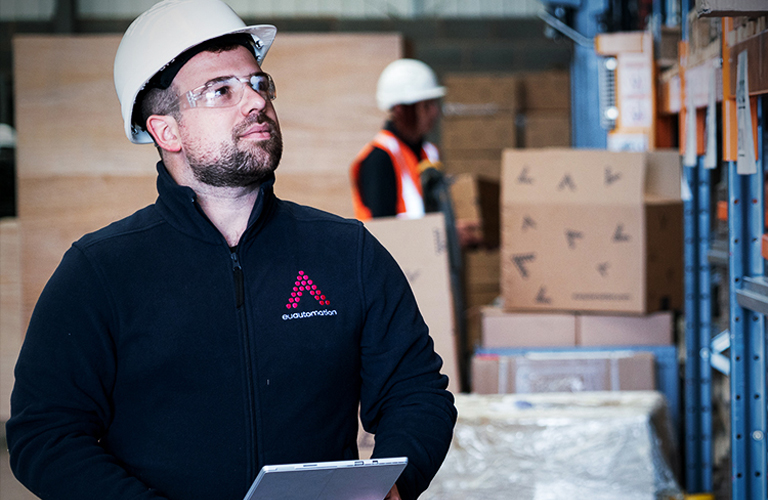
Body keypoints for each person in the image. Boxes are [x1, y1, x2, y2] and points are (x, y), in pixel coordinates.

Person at [5, 1, 457, 499]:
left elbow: (416, 394)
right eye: (221, 90)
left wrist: (390, 489)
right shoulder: (100, 273)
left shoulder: (347, 253)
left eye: (258, 83)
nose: (255, 102)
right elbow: (45, 434)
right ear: (166, 131)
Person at [350, 58, 445, 221]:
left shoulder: (427, 152)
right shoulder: (379, 158)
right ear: (400, 109)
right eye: (426, 105)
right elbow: (384, 229)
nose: (434, 112)